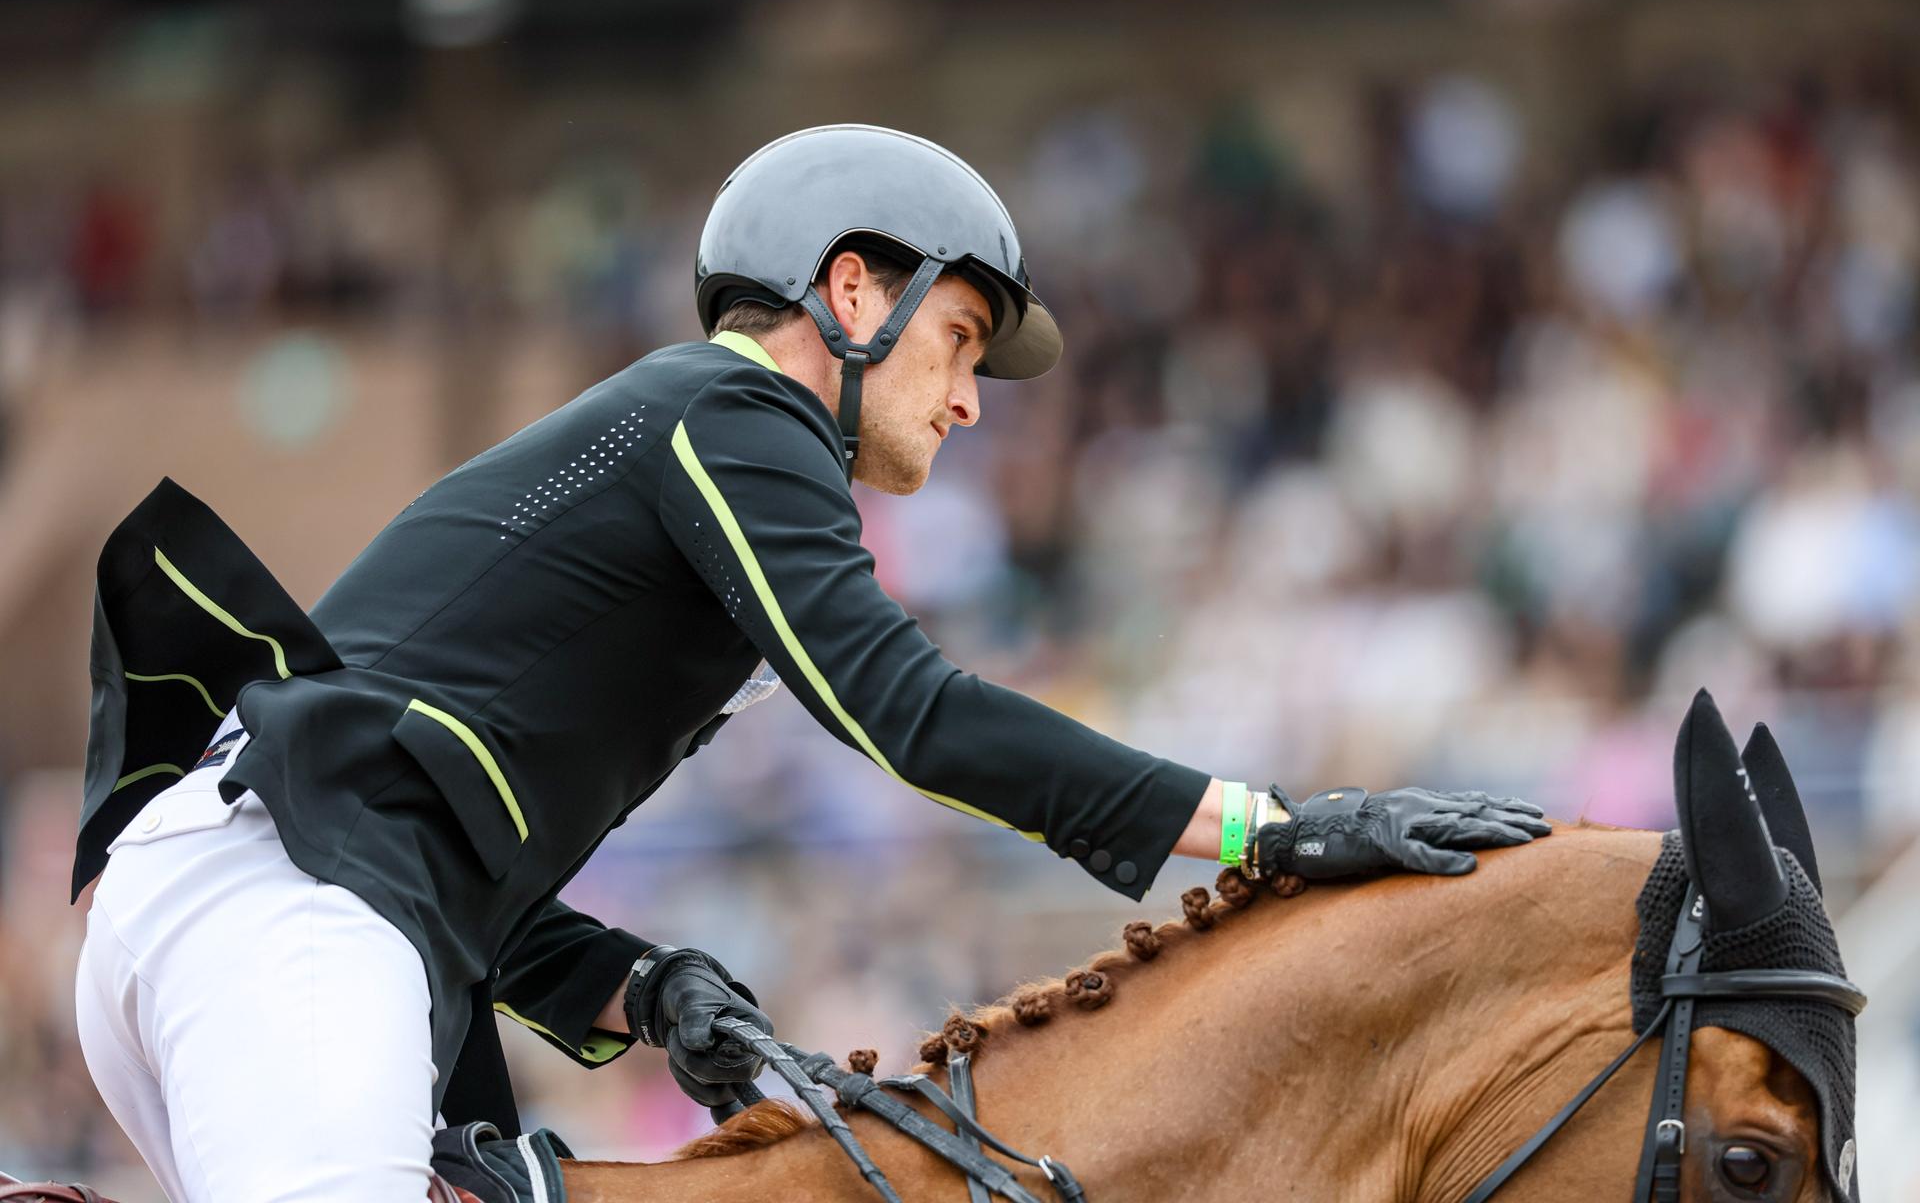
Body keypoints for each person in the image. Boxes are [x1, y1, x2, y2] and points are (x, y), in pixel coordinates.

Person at [68, 124, 1550, 1202]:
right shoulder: (738, 410)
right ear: (851, 297)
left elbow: (430, 832)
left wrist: (645, 989)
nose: (970, 401)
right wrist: (1265, 829)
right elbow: (907, 711)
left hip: (261, 903)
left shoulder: (699, 448)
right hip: (286, 913)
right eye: (959, 340)